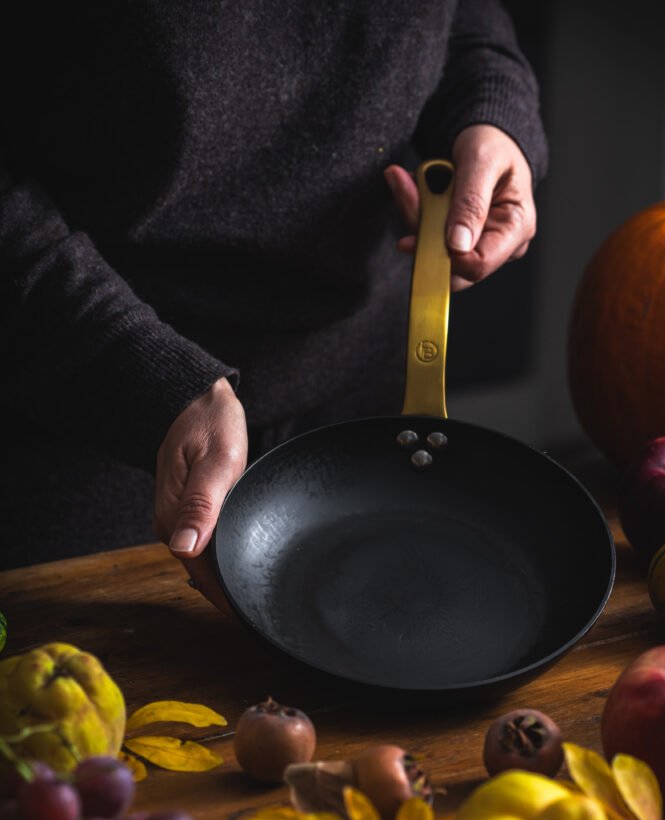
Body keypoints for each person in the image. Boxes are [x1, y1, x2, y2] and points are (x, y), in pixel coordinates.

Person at [0, 1, 547, 609]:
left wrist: (491, 109)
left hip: (364, 386)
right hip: (89, 401)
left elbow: (464, 17)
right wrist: (146, 379)